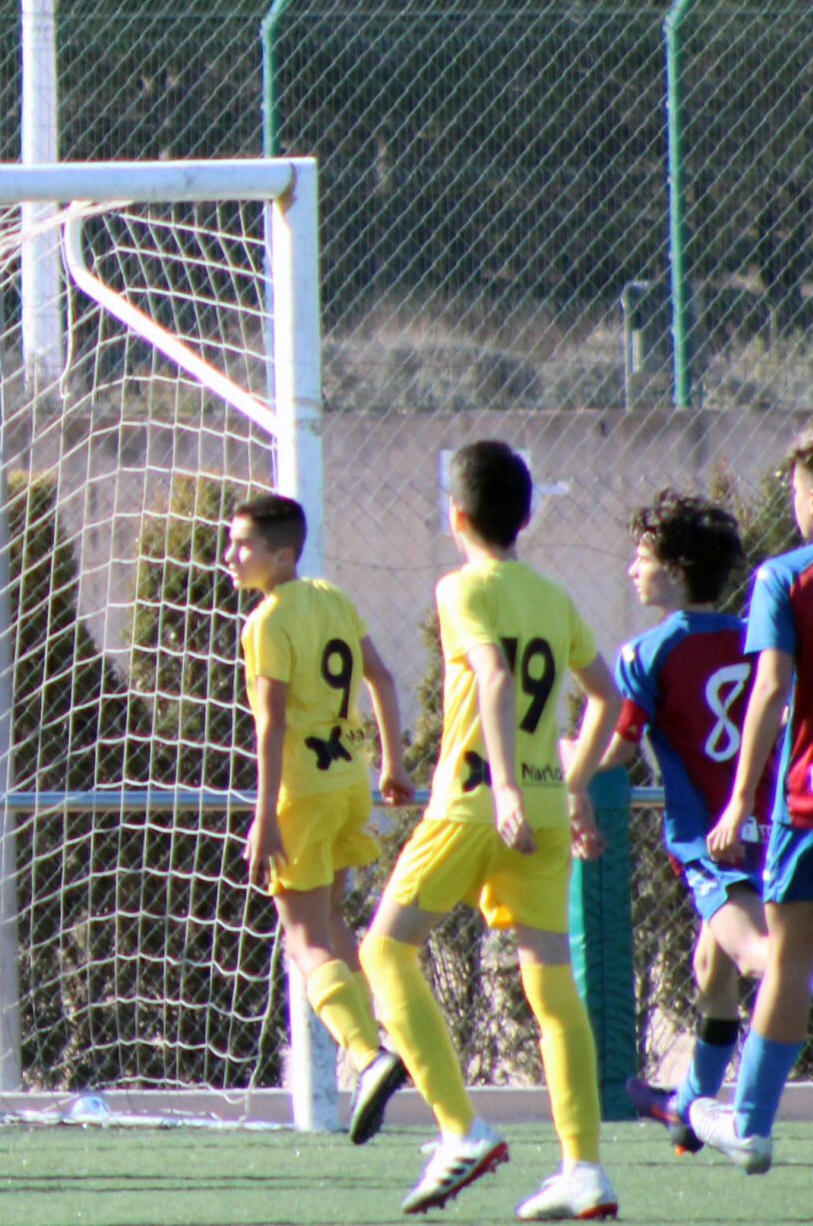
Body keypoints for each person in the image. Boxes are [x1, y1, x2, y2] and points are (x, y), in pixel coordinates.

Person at [357, 442, 619, 1221]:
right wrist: (571, 785)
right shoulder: (551, 595)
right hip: (542, 810)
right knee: (552, 989)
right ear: (526, 516)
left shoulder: (460, 586)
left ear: (457, 516)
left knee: (384, 951)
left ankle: (461, 1129)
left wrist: (503, 784)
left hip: (475, 804)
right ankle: (583, 1168)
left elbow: (496, 675)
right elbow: (605, 697)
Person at [595, 491, 813, 1148]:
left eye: (641, 558)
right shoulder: (751, 634)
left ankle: (698, 1105)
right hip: (770, 823)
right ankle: (690, 1105)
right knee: (711, 968)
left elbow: (618, 748)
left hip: (709, 839)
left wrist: (569, 762)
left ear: (675, 570)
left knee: (763, 956)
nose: (632, 570)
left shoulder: (646, 652)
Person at [226, 492, 416, 1145]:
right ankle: (381, 1039)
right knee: (333, 921)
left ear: (283, 555)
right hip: (348, 783)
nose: (230, 555)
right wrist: (392, 764)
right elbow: (382, 678)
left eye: (244, 545)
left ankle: (367, 1056)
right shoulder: (333, 597)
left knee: (302, 939)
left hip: (302, 795)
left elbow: (271, 723)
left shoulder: (267, 621)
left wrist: (265, 816)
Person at [691, 425, 813, 1174]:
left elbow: (772, 691)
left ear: (812, 496)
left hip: (812, 802)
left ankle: (749, 1124)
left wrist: (739, 800)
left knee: (791, 960)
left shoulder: (785, 576)